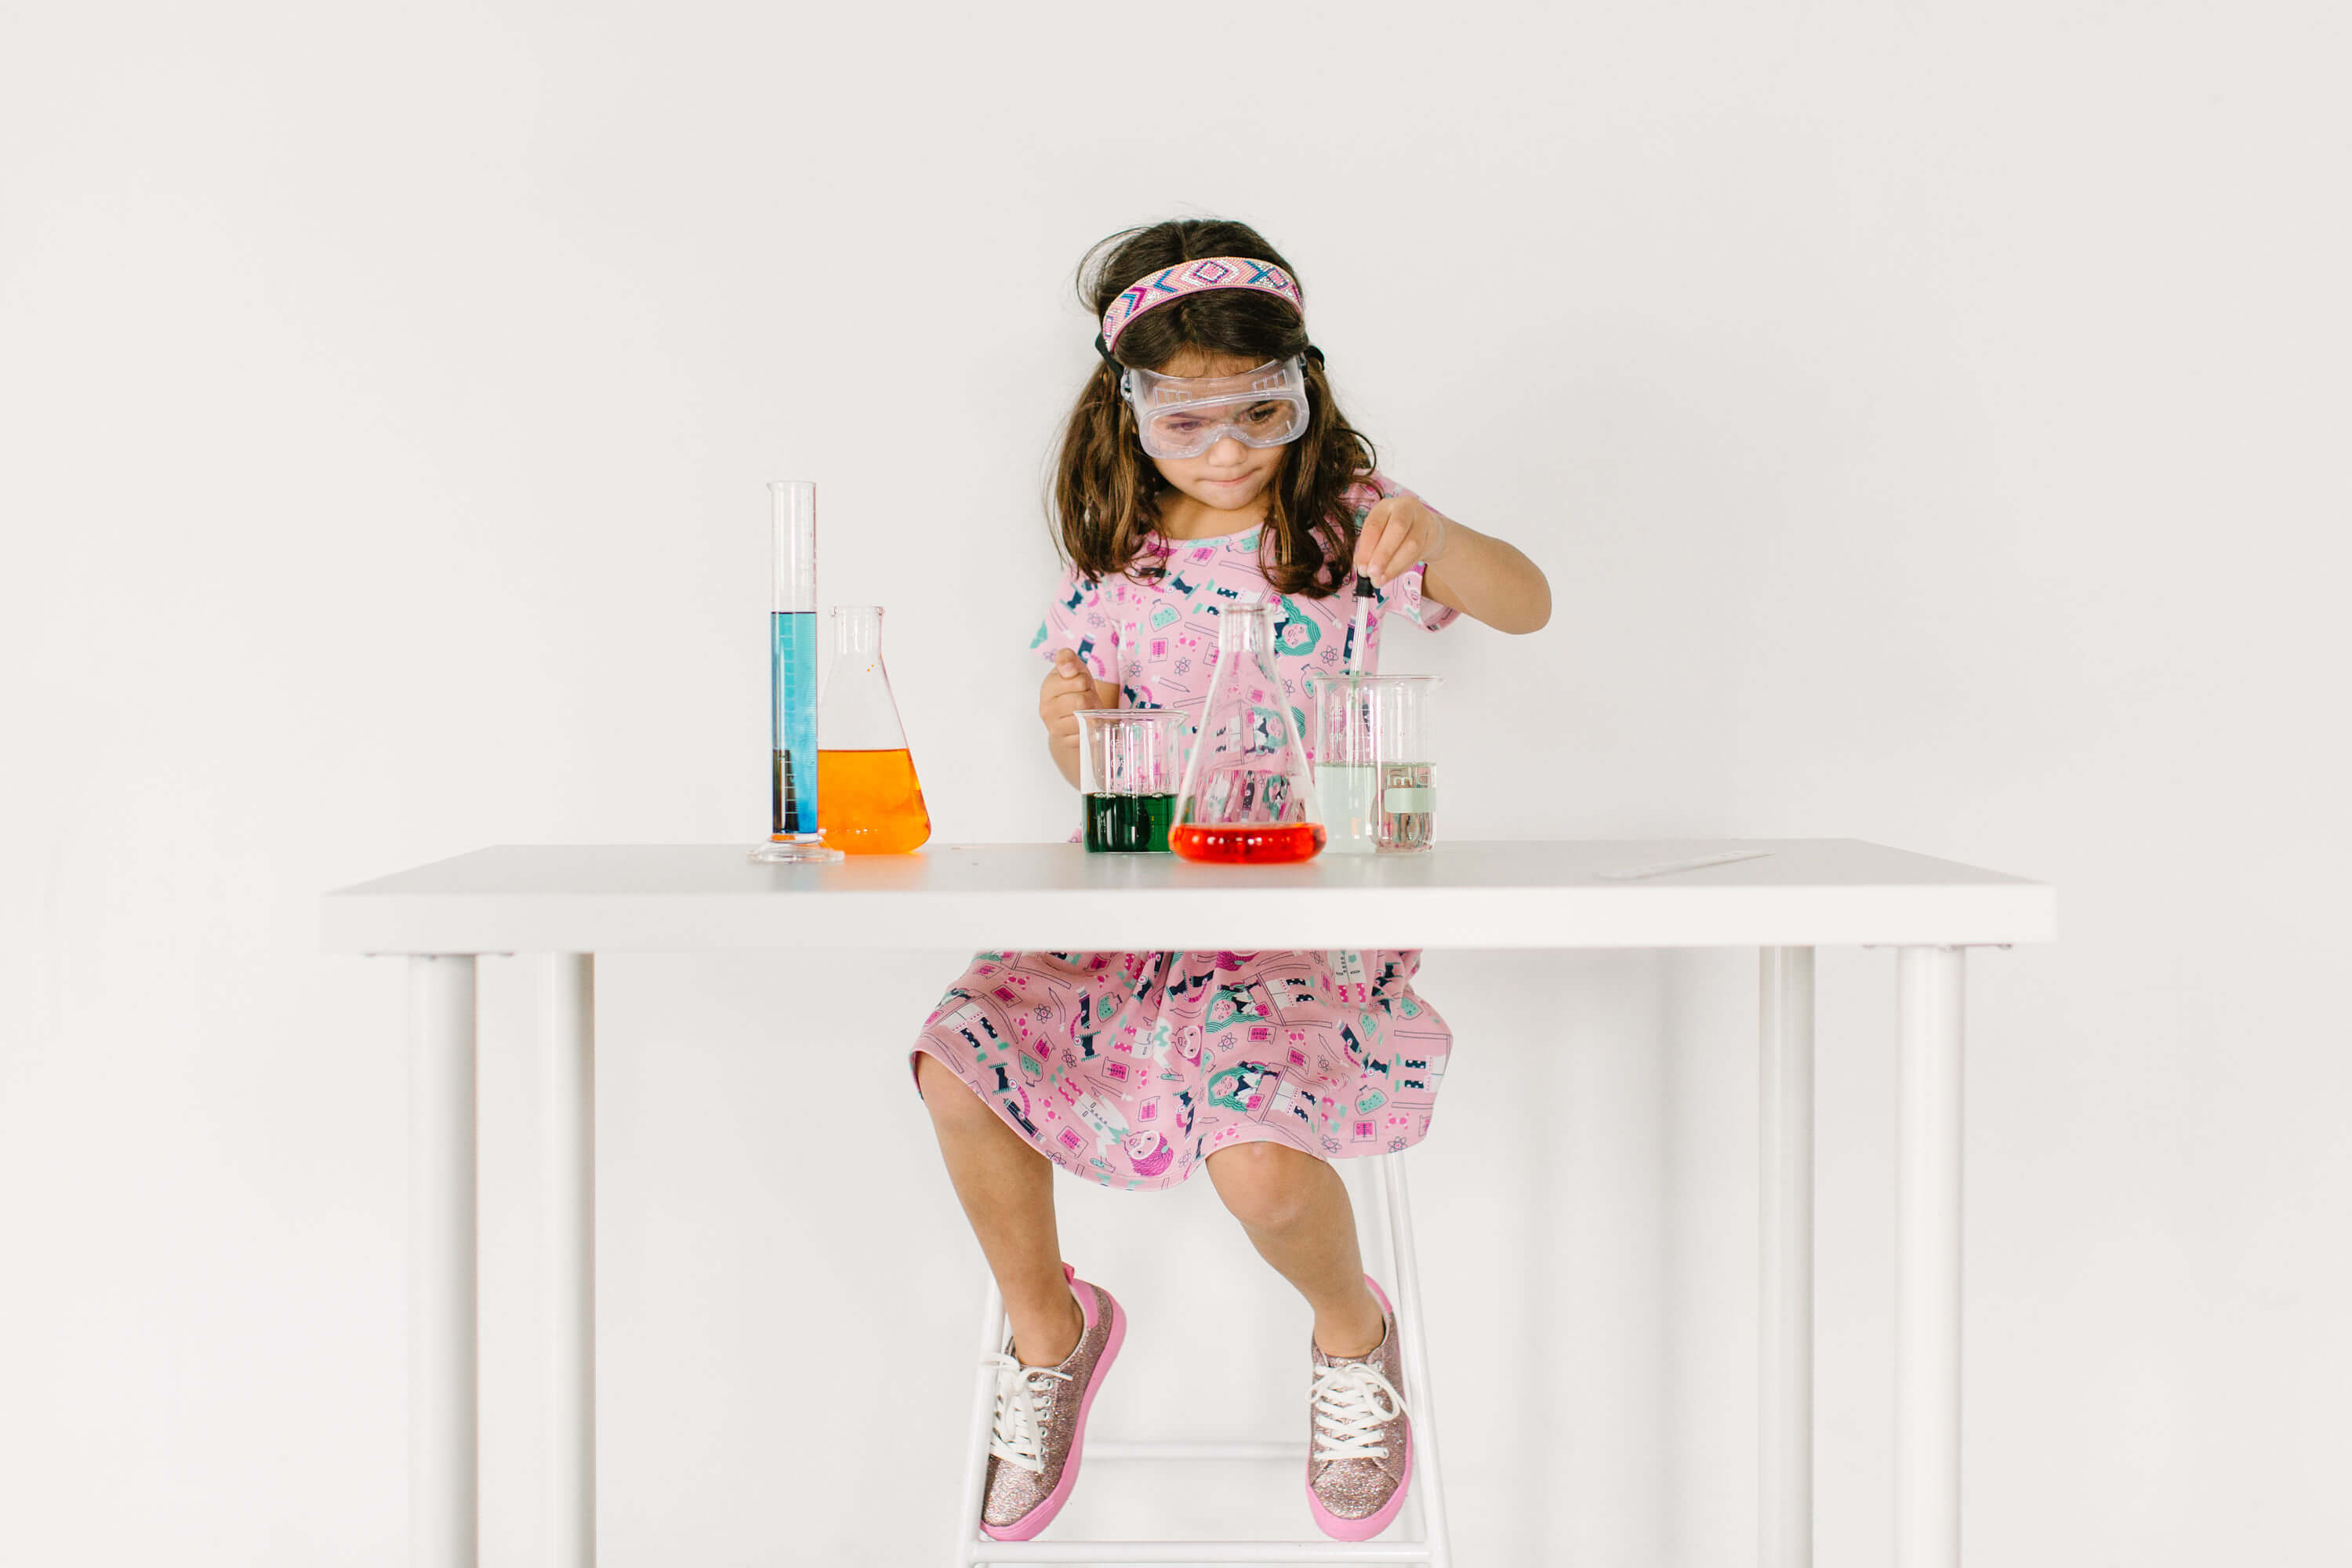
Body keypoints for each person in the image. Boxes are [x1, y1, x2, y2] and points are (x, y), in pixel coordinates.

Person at [908, 217, 1552, 1544]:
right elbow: (1084, 758)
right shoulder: (1115, 567)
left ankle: (1350, 1333)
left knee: (1259, 1168)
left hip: (1305, 928)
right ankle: (1051, 1332)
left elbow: (1527, 601)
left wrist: (1439, 531)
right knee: (954, 1063)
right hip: (1143, 917)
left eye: (1257, 412)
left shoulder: (1348, 530)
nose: (1225, 447)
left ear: (1302, 390)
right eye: (1184, 419)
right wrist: (1072, 726)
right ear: (1128, 410)